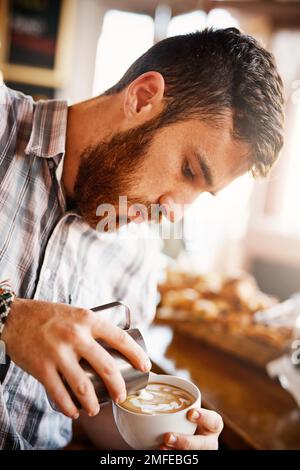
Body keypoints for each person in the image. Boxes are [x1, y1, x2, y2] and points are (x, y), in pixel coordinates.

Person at [0, 27, 284, 450]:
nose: (174, 212)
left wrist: (163, 441)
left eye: (201, 193)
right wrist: (9, 315)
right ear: (143, 97)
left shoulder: (138, 258)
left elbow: (102, 405)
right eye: (189, 170)